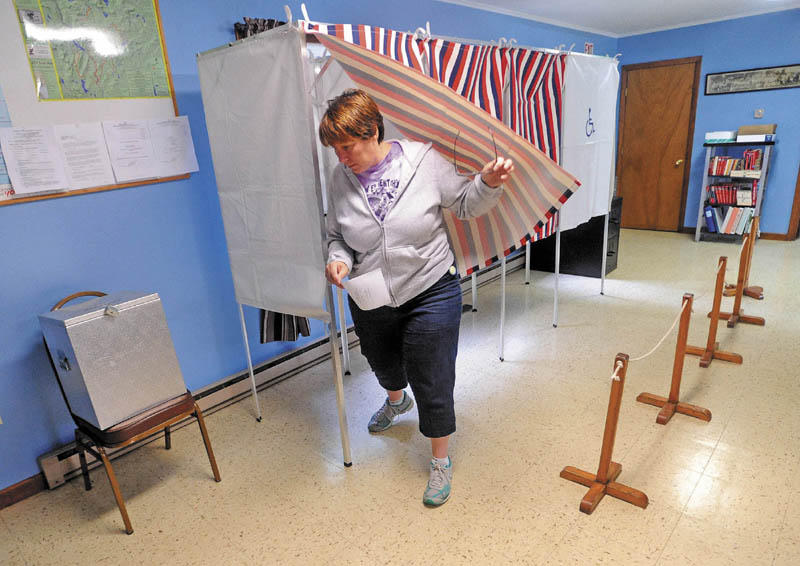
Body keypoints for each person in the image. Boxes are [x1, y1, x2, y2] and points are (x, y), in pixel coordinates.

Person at [320, 89, 513, 506]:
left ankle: (440, 461)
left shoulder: (422, 162)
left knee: (432, 374)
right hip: (371, 294)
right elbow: (337, 235)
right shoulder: (340, 178)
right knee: (382, 362)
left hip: (430, 288)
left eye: (347, 146)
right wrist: (338, 260)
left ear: (372, 131)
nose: (341, 157)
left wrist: (488, 183)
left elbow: (464, 202)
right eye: (335, 149)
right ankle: (396, 399)